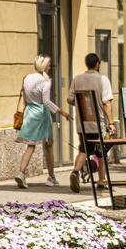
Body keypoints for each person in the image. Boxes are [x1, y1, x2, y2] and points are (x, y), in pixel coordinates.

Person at [15, 55, 71, 188]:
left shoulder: (27, 78)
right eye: (49, 64)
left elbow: (24, 97)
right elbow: (46, 101)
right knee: (48, 144)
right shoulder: (45, 81)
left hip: (29, 111)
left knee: (31, 145)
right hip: (42, 113)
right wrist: (62, 112)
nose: (50, 66)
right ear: (44, 66)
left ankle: (21, 173)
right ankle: (51, 177)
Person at [67, 53, 115, 193]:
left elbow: (70, 99)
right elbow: (106, 103)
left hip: (82, 124)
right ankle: (101, 181)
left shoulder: (77, 79)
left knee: (84, 149)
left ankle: (75, 171)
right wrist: (111, 122)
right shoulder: (102, 79)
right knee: (101, 152)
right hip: (97, 123)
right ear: (97, 64)